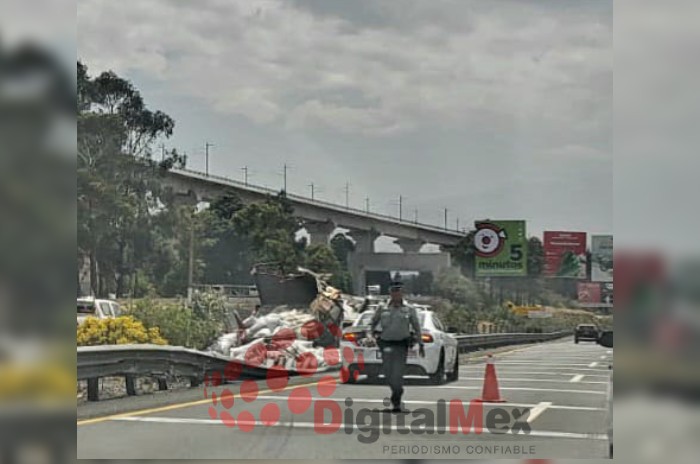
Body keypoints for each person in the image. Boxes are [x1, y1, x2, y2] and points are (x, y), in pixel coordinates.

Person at [369, 280, 425, 412]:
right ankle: (397, 389)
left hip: (401, 344)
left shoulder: (409, 309)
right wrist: (370, 336)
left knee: (398, 373)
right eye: (393, 291)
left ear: (402, 293)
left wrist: (420, 343)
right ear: (390, 293)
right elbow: (372, 323)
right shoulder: (382, 307)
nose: (395, 294)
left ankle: (396, 400)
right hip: (386, 343)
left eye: (398, 291)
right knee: (388, 373)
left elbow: (417, 327)